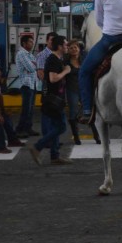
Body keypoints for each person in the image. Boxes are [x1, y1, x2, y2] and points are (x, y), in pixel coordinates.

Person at [28, 35, 72, 165]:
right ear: (59, 46)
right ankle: (37, 147)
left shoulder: (58, 59)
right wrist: (66, 71)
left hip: (55, 99)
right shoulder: (53, 59)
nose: (67, 47)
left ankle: (54, 156)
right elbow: (53, 79)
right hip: (53, 100)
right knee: (61, 127)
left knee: (55, 126)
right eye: (65, 45)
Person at [15, 35, 39, 137]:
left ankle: (28, 128)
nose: (32, 43)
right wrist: (35, 65)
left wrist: (35, 64)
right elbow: (31, 68)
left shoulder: (29, 54)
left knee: (31, 108)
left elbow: (38, 64)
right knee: (26, 109)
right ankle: (20, 130)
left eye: (32, 41)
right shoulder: (21, 54)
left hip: (33, 84)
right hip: (26, 84)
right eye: (30, 42)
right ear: (24, 43)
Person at [64, 39, 85, 145]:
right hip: (72, 89)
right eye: (71, 48)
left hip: (84, 89)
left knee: (89, 111)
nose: (73, 49)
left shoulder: (84, 59)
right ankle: (76, 136)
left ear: (79, 49)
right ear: (68, 50)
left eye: (75, 47)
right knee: (73, 112)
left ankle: (97, 134)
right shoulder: (65, 61)